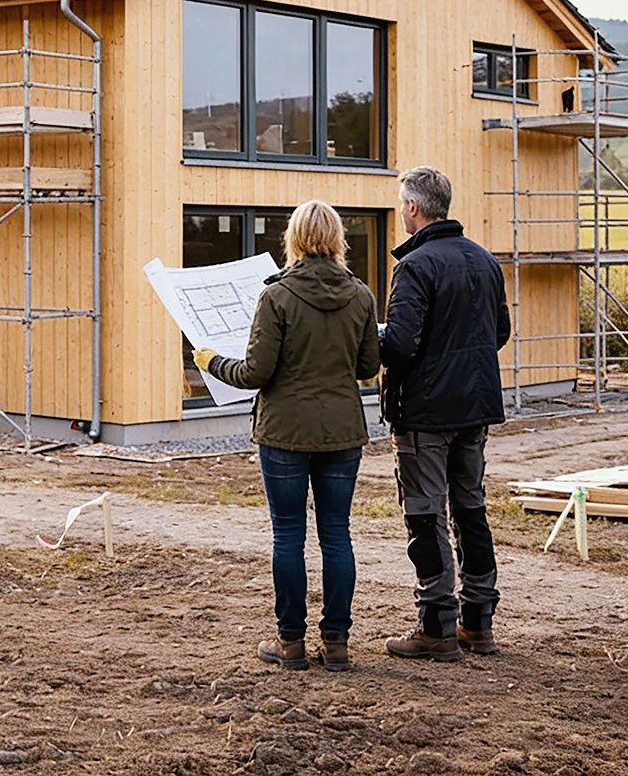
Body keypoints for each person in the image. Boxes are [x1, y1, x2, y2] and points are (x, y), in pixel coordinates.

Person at [193, 200, 380, 672]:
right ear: (338, 239)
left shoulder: (276, 296)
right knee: (337, 534)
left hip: (283, 433)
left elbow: (256, 372)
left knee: (289, 535)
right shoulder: (360, 295)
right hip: (341, 432)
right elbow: (367, 368)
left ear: (292, 239)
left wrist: (211, 362)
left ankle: (290, 642)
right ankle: (336, 643)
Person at [379, 166, 510, 661]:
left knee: (424, 514)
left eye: (400, 204)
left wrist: (373, 338)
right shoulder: (483, 260)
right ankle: (479, 624)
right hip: (475, 408)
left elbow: (403, 345)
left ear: (413, 208)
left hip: (426, 414)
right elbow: (499, 333)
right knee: (471, 510)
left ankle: (436, 625)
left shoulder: (414, 266)